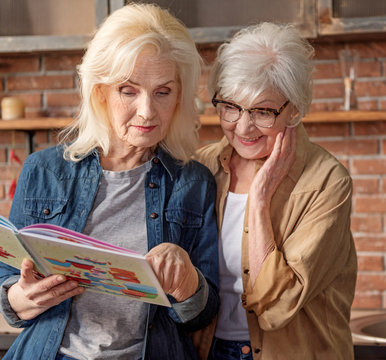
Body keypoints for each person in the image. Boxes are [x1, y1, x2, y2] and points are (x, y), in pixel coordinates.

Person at [0, 4, 219, 359]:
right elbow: (8, 290)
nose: (147, 111)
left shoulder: (194, 183)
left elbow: (202, 315)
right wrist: (21, 298)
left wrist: (189, 281)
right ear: (100, 92)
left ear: (180, 95)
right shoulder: (43, 171)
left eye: (163, 92)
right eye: (128, 90)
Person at [196, 22, 357, 360]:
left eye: (262, 111)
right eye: (230, 106)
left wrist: (258, 200)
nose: (242, 126)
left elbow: (278, 308)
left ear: (294, 109)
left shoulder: (327, 182)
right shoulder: (202, 166)